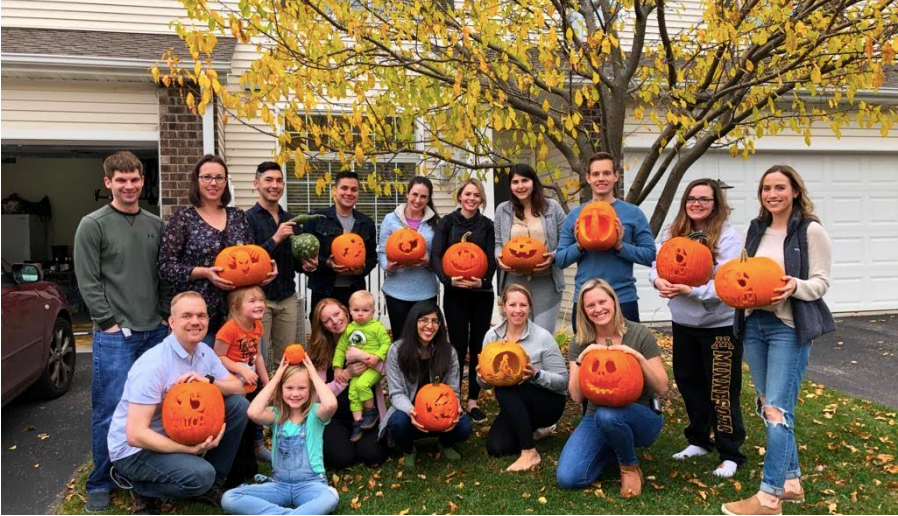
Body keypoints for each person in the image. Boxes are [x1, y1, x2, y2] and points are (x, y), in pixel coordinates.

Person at [722, 165, 835, 516]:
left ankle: (769, 498)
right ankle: (791, 482)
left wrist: (794, 287)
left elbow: (820, 282)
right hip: (755, 325)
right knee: (767, 403)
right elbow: (743, 275)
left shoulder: (811, 231)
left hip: (788, 327)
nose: (773, 194)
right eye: (766, 188)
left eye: (780, 187)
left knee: (777, 411)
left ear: (795, 192)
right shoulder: (755, 230)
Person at [74, 151, 171, 512]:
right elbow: (88, 279)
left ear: (142, 181)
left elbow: (163, 274)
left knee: (154, 410)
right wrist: (108, 322)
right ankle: (101, 479)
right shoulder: (93, 224)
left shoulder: (155, 224)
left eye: (134, 179)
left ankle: (143, 479)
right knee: (110, 409)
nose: (129, 186)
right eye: (121, 180)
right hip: (116, 335)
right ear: (108, 183)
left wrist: (164, 315)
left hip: (155, 333)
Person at [107, 292, 249, 512]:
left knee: (238, 406)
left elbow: (239, 387)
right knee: (201, 476)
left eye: (201, 315)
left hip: (172, 433)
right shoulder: (154, 365)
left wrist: (209, 381)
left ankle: (213, 483)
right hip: (134, 452)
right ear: (172, 322)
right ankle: (141, 487)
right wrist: (188, 450)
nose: (195, 321)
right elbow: (135, 435)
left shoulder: (204, 353)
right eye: (187, 316)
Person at [649, 179, 747, 478]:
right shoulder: (673, 232)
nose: (697, 204)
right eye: (692, 198)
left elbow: (728, 282)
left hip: (718, 326)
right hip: (683, 323)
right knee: (689, 381)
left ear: (716, 203)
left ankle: (730, 451)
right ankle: (699, 439)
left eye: (704, 199)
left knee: (721, 389)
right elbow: (657, 263)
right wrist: (658, 281)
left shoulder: (729, 237)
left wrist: (693, 291)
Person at [556, 279, 669, 498]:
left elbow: (662, 387)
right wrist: (581, 360)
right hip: (595, 416)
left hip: (641, 414)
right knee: (569, 478)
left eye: (602, 301)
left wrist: (637, 357)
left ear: (614, 302)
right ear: (584, 311)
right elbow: (577, 397)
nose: (598, 309)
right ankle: (613, 446)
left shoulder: (638, 334)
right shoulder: (580, 342)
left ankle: (629, 467)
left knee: (609, 416)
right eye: (591, 305)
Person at [158, 154, 275, 339]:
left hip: (238, 317)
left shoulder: (238, 216)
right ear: (196, 180)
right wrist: (203, 272)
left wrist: (265, 271)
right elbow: (165, 267)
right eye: (207, 177)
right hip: (198, 318)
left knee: (242, 366)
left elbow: (250, 258)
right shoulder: (183, 218)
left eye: (219, 178)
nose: (213, 183)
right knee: (200, 368)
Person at [220, 353, 340, 515]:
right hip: (279, 486)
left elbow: (331, 404)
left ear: (310, 389)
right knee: (230, 497)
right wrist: (276, 379)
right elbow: (253, 412)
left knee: (329, 497)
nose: (295, 393)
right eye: (289, 388)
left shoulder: (316, 414)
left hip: (310, 484)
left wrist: (312, 373)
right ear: (281, 389)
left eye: (302, 388)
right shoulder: (276, 415)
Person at [555, 152, 656, 325]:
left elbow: (650, 255)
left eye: (607, 173)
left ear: (616, 176)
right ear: (588, 178)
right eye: (596, 174)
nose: (601, 178)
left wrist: (619, 246)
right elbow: (561, 259)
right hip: (586, 300)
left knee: (625, 351)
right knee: (587, 352)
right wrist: (580, 244)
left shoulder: (633, 213)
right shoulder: (575, 216)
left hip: (622, 298)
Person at [479, 285, 568, 471]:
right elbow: (485, 384)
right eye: (512, 304)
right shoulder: (491, 336)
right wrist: (482, 377)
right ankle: (535, 433)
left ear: (530, 308)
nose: (518, 310)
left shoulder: (543, 337)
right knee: (497, 447)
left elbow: (563, 382)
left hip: (546, 402)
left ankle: (529, 452)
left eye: (523, 305)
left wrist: (537, 374)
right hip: (516, 405)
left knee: (505, 385)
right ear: (504, 307)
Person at [430, 178, 496, 424]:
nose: (471, 198)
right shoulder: (447, 223)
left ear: (481, 199)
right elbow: (436, 255)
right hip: (455, 294)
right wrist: (448, 280)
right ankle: (455, 398)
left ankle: (473, 401)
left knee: (478, 346)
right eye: (467, 194)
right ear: (460, 196)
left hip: (481, 295)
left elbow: (491, 258)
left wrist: (484, 281)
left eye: (476, 195)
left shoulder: (486, 226)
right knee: (457, 346)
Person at [380, 301, 473, 470]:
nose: (429, 326)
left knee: (464, 426)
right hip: (411, 414)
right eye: (423, 320)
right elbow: (396, 393)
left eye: (435, 321)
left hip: (440, 414)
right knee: (398, 423)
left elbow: (453, 390)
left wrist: (456, 408)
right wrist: (412, 412)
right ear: (414, 322)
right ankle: (409, 450)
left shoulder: (448, 351)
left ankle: (444, 444)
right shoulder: (397, 350)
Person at [246, 161, 318, 363]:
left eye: (279, 180)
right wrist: (276, 238)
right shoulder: (247, 220)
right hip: (259, 298)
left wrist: (306, 266)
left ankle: (283, 394)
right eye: (268, 180)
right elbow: (246, 262)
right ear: (256, 184)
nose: (274, 185)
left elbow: (294, 261)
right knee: (257, 356)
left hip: (287, 296)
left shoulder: (291, 220)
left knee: (285, 358)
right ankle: (260, 394)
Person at [308, 298, 390, 469]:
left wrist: (362, 356)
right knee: (341, 459)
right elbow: (315, 397)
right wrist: (346, 375)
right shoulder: (320, 352)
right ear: (322, 326)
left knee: (373, 455)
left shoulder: (368, 333)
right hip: (336, 416)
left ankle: (361, 436)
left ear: (346, 312)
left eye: (337, 314)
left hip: (368, 412)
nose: (335, 322)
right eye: (327, 321)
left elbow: (385, 369)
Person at [494, 164, 567, 333]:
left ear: (533, 182)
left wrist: (554, 256)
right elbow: (498, 242)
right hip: (514, 282)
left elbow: (566, 239)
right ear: (510, 186)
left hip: (546, 281)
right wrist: (499, 257)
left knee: (543, 333)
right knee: (517, 333)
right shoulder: (503, 210)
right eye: (515, 182)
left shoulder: (552, 207)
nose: (520, 186)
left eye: (524, 180)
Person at [214, 286, 271, 484]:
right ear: (237, 308)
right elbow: (218, 356)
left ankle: (250, 470)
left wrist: (267, 383)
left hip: (252, 384)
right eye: (252, 301)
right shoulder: (229, 329)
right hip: (235, 386)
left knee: (253, 425)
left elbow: (258, 356)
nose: (259, 304)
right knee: (240, 429)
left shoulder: (257, 326)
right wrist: (240, 369)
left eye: (261, 300)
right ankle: (234, 475)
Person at [302, 171, 377, 313]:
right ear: (334, 191)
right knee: (323, 333)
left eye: (354, 189)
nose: (349, 193)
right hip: (323, 291)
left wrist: (362, 269)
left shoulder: (366, 223)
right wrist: (327, 263)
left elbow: (372, 257)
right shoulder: (316, 219)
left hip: (354, 293)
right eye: (344, 188)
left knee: (353, 333)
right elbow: (306, 255)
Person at [378, 176, 440, 332]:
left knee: (424, 339)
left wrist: (429, 262)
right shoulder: (390, 220)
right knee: (401, 339)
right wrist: (388, 266)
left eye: (423, 196)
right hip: (396, 291)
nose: (418, 200)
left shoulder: (436, 223)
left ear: (428, 199)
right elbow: (382, 251)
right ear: (407, 194)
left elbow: (439, 255)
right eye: (415, 194)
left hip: (426, 291)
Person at [333, 290, 391, 442]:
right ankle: (358, 422)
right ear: (350, 311)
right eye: (356, 310)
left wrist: (376, 357)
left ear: (372, 312)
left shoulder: (376, 327)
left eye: (365, 310)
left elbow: (386, 344)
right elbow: (340, 348)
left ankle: (370, 412)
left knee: (362, 385)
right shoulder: (349, 329)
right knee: (353, 391)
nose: (360, 314)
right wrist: (337, 367)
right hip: (356, 369)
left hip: (372, 367)